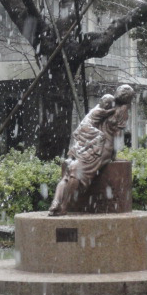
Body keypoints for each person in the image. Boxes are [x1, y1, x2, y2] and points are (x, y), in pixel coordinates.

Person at [48, 85, 134, 216]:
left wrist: (113, 154)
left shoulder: (121, 110)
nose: (122, 93)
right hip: (90, 144)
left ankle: (64, 206)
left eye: (125, 92)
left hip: (102, 149)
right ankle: (56, 203)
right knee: (70, 169)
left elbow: (116, 133)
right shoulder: (107, 103)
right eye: (122, 90)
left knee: (76, 169)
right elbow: (88, 124)